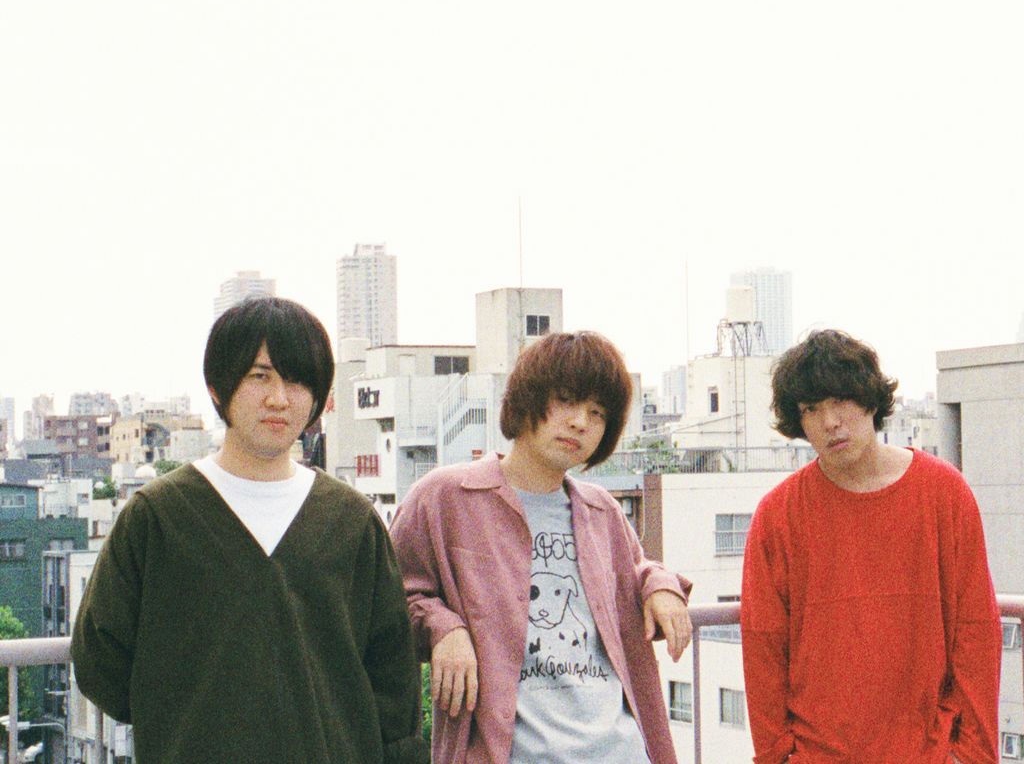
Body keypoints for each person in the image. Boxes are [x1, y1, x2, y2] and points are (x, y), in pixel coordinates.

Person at [72, 297, 427, 764]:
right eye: (260, 376)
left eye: (297, 380)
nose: (279, 398)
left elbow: (393, 678)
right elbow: (99, 657)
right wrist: (178, 717)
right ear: (218, 387)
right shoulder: (158, 516)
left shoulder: (351, 521)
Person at [391, 330, 692, 764]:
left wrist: (660, 584)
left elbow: (634, 572)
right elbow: (389, 600)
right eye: (567, 401)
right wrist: (443, 627)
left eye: (597, 412)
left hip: (622, 751)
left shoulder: (601, 509)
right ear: (526, 399)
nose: (580, 422)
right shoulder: (444, 497)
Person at [741, 329, 1000, 763]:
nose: (829, 421)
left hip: (929, 753)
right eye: (811, 409)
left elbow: (976, 633)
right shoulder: (777, 516)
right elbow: (762, 650)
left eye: (840, 400)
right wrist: (778, 758)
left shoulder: (944, 493)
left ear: (870, 399)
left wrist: (970, 756)